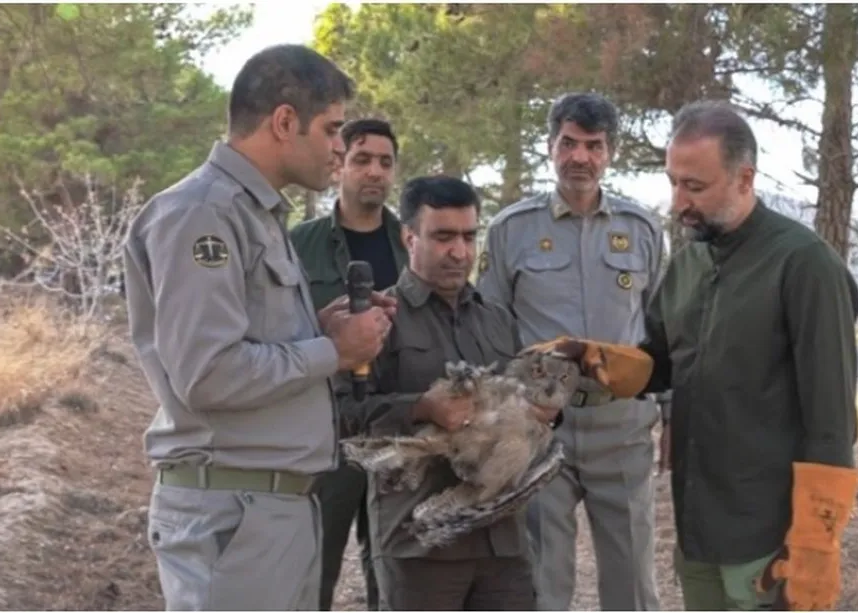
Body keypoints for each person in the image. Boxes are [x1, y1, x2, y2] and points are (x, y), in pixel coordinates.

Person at [524, 100, 858, 611]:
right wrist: (589, 360)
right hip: (699, 528)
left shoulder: (805, 265)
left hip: (768, 541)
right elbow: (659, 364)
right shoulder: (689, 263)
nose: (678, 203)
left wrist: (816, 545)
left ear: (744, 178)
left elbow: (832, 422)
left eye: (695, 187)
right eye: (673, 182)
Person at [122, 44, 396, 612]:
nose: (340, 147)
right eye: (332, 129)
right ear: (285, 122)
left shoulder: (256, 215)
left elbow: (249, 345)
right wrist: (331, 351)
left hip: (270, 511)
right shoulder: (203, 213)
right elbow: (208, 375)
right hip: (234, 518)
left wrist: (319, 329)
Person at [476, 92, 666, 611]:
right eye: (568, 143)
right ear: (550, 146)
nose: (580, 157)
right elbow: (489, 330)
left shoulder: (642, 229)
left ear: (610, 153)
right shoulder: (511, 229)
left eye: (594, 145)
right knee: (542, 583)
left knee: (632, 584)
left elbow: (661, 332)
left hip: (621, 425)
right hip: (540, 426)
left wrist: (671, 412)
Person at [338, 175, 559, 611]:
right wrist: (421, 408)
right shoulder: (377, 319)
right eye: (443, 237)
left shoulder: (497, 319)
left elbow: (524, 400)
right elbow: (342, 415)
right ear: (409, 238)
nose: (459, 252)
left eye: (468, 236)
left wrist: (542, 412)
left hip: (503, 543)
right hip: (419, 543)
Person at [291, 117, 408, 611]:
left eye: (385, 162)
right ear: (340, 164)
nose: (374, 171)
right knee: (312, 568)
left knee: (394, 572)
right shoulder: (299, 244)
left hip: (398, 430)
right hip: (327, 430)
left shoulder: (412, 242)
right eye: (362, 159)